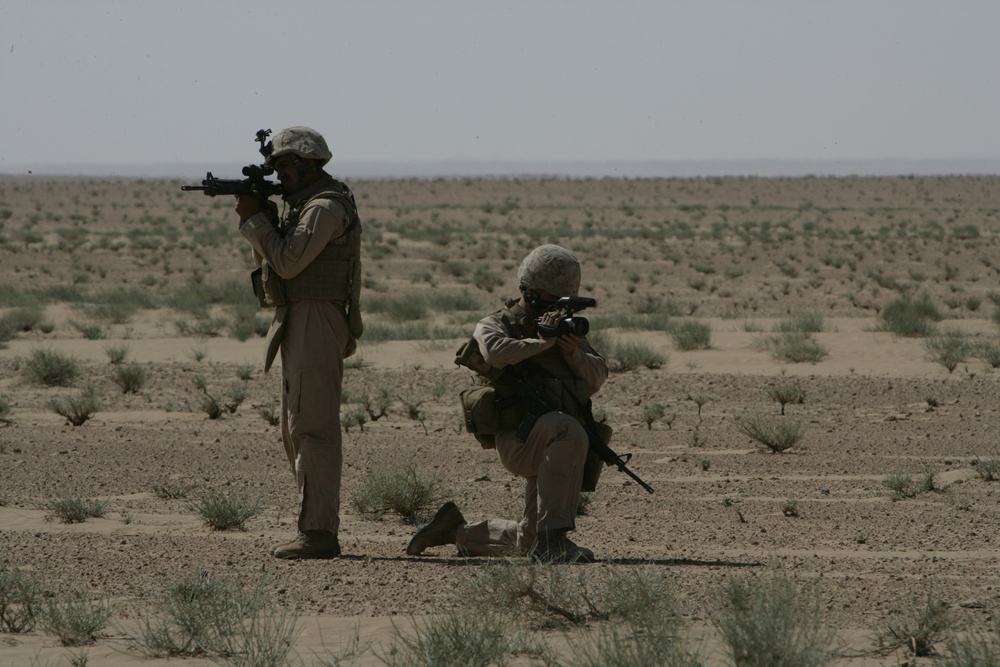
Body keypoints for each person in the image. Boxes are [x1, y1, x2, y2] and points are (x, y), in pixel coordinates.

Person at [407, 244, 608, 563]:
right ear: (528, 289)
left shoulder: (564, 331)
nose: (553, 308)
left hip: (549, 439)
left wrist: (573, 353)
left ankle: (455, 531)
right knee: (569, 430)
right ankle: (553, 540)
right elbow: (495, 352)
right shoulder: (496, 323)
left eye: (560, 301)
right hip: (520, 438)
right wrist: (541, 344)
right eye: (548, 298)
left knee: (528, 538)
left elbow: (597, 379)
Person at [235, 126, 363, 559]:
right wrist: (262, 221)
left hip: (315, 316)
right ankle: (314, 526)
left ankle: (319, 533)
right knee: (295, 429)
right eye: (275, 165)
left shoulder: (324, 206)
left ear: (308, 163)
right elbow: (274, 262)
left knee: (313, 427)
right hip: (298, 316)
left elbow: (288, 262)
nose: (279, 173)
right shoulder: (304, 206)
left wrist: (255, 220)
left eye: (284, 164)